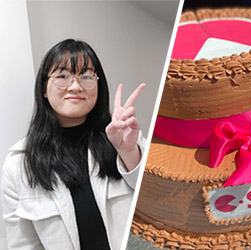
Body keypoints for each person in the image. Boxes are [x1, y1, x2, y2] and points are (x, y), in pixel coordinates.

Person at [0, 39, 147, 250]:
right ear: (44, 87)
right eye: (62, 76)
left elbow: (158, 201)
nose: (76, 86)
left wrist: (129, 152)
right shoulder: (18, 164)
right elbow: (23, 245)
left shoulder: (123, 136)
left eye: (86, 76)